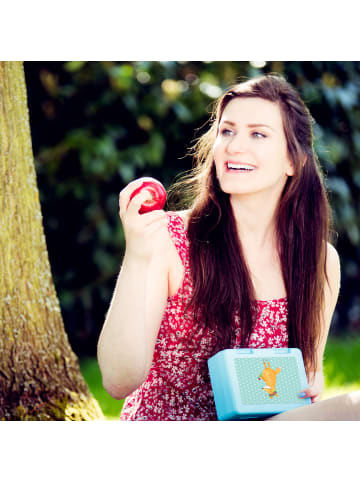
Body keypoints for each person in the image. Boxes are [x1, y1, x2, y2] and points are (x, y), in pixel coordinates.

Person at [97, 73, 360, 420]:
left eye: (258, 134)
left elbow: (309, 374)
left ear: (292, 162)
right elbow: (118, 381)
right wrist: (138, 255)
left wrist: (311, 380)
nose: (235, 145)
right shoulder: (170, 239)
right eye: (227, 130)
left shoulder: (320, 261)